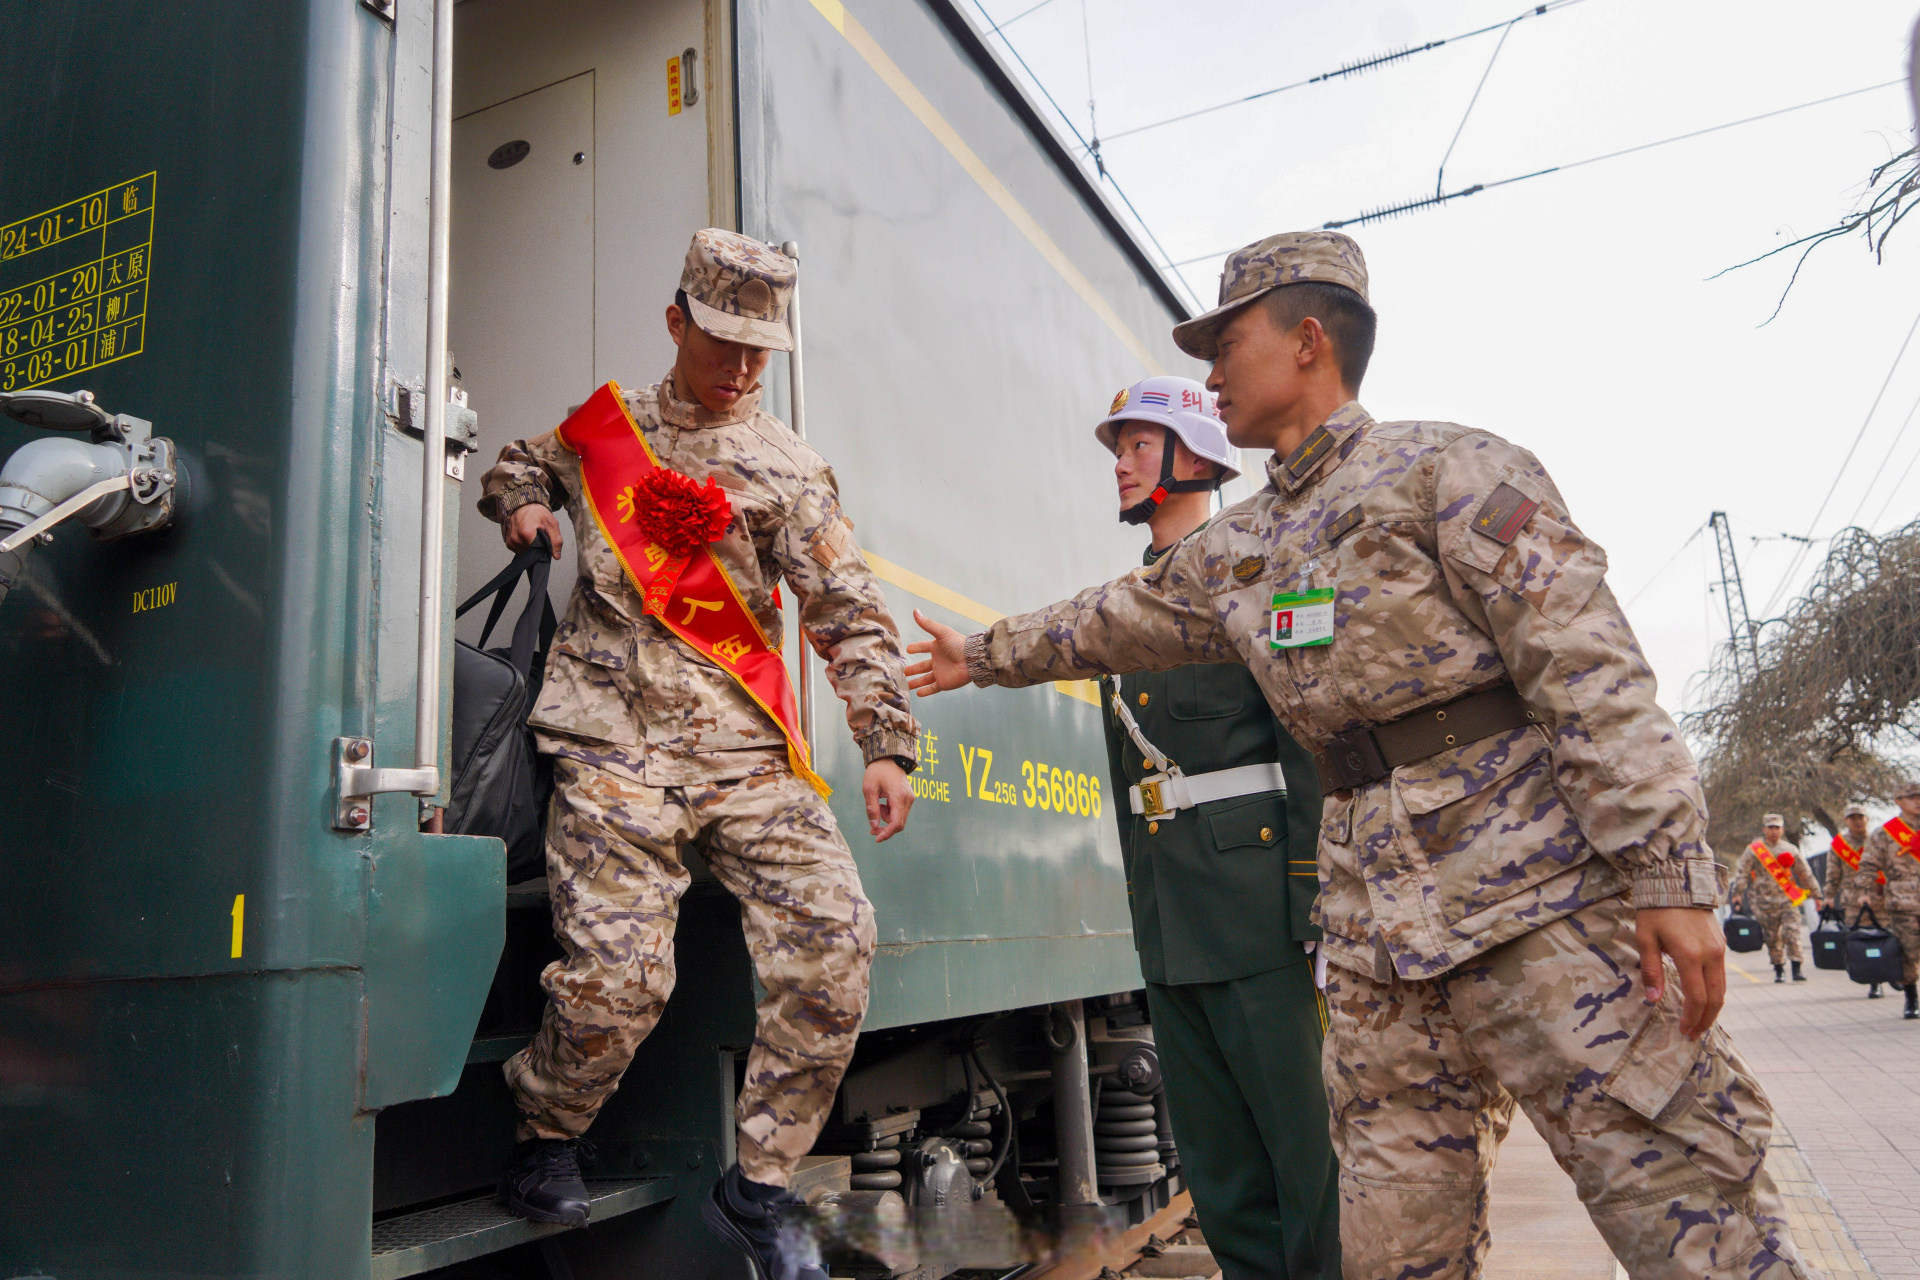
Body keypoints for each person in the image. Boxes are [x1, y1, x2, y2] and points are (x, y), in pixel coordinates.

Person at [906, 231, 1809, 1278]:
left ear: (1305, 341)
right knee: (1388, 1253)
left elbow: (1588, 668)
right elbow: (1114, 618)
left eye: (1225, 342)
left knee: (1690, 1212)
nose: (1210, 373)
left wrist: (1666, 871)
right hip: (1379, 948)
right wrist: (979, 653)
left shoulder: (1450, 470)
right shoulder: (1244, 547)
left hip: (1542, 912)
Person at [477, 229, 920, 1279]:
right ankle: (545, 1133)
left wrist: (886, 741)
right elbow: (513, 464)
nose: (742, 368)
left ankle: (759, 1186)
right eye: (724, 340)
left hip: (744, 756)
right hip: (612, 748)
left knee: (840, 938)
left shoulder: (790, 467)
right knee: (620, 980)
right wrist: (525, 504)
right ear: (677, 321)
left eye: (762, 349)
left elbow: (849, 612)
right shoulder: (605, 429)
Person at [1093, 375, 1340, 1279]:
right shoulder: (1124, 606)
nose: (1118, 464)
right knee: (1222, 1172)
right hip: (1176, 929)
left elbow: (1311, 745)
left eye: (1136, 445)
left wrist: (1315, 910)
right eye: (1118, 449)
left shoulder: (1257, 578)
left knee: (1309, 1168)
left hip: (1263, 924)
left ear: (1192, 456)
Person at [1732, 815, 1822, 983]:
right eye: (1770, 827)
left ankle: (1797, 968)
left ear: (1782, 829)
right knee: (1772, 938)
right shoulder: (1753, 850)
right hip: (1763, 903)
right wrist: (1737, 893)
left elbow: (1805, 873)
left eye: (1777, 827)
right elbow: (1742, 873)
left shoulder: (1790, 849)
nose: (1773, 831)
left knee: (1792, 933)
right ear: (1764, 829)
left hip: (1788, 901)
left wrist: (1817, 894)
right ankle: (1779, 969)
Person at [1857, 781, 1920, 1020]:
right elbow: (1868, 864)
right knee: (1908, 953)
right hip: (1903, 904)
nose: (1917, 801)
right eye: (1911, 797)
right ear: (1898, 801)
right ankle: (1912, 999)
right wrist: (1864, 891)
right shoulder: (1885, 833)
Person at [1825, 803, 1884, 997]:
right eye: (1853, 818)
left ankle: (1897, 973)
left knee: (1893, 938)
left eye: (1860, 817)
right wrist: (1828, 896)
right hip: (1855, 902)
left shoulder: (1880, 839)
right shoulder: (1839, 845)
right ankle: (1875, 981)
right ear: (1846, 821)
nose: (1857, 821)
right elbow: (1833, 874)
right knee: (1867, 941)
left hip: (1884, 898)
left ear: (1867, 819)